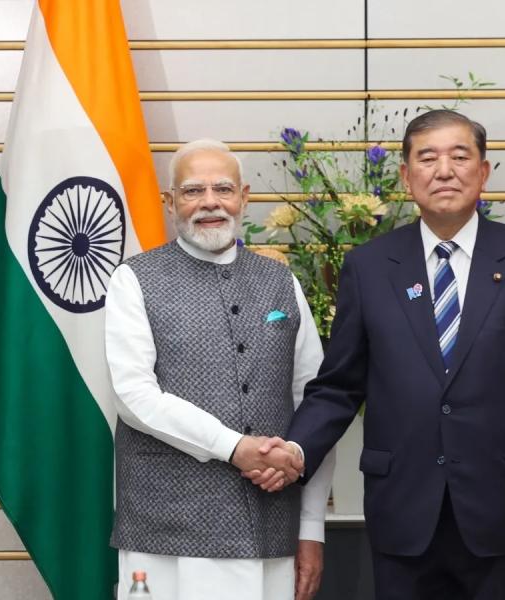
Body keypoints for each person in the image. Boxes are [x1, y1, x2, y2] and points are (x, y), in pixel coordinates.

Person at [252, 110, 505, 599]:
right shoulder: (369, 267)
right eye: (427, 158)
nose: (444, 171)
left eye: (459, 157)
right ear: (406, 177)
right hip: (404, 511)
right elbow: (340, 385)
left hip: (504, 511)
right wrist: (295, 451)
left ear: (483, 172)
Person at [104, 139, 334, 600]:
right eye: (193, 190)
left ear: (244, 198)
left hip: (270, 526)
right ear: (170, 203)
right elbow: (133, 395)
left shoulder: (281, 282)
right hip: (165, 532)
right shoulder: (134, 279)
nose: (210, 202)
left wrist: (311, 527)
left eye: (223, 189)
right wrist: (234, 448)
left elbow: (314, 402)